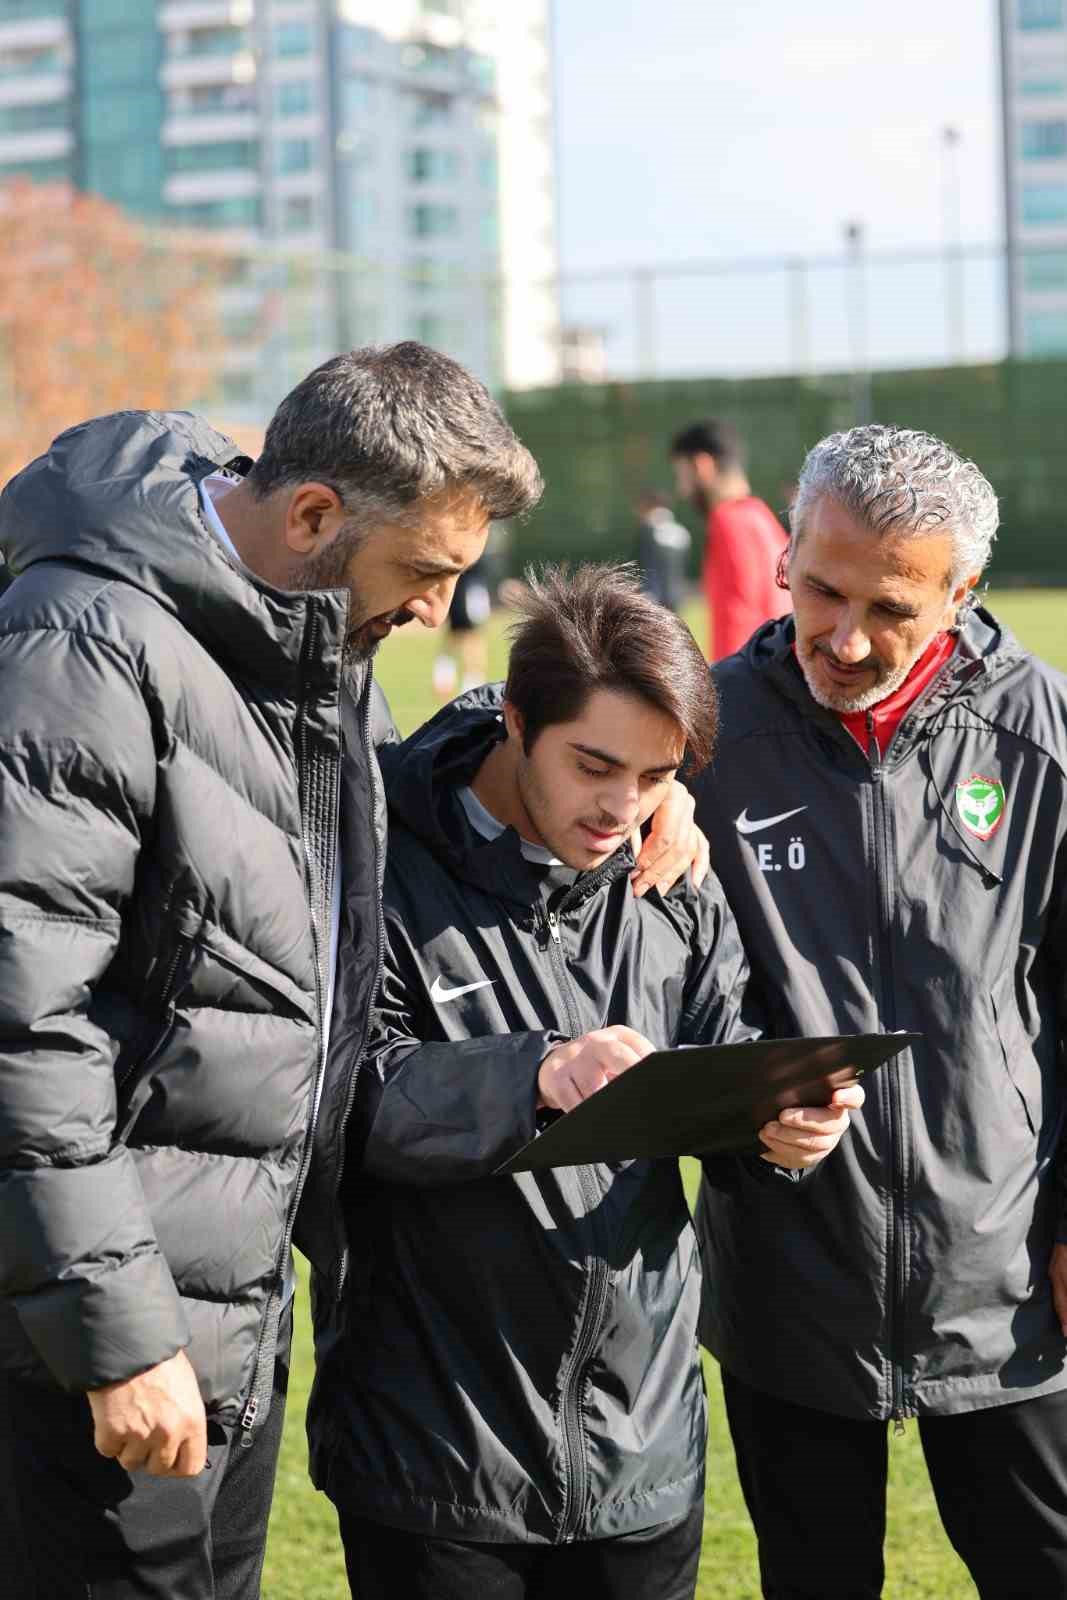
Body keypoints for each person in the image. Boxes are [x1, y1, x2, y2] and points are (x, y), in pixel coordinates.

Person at [0, 341, 543, 1598]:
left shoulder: (305, 639)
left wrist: (646, 790)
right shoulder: (81, 649)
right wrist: (118, 1335)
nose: (432, 610)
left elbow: (370, 821)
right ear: (311, 514)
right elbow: (26, 1019)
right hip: (99, 1338)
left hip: (225, 1318)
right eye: (424, 572)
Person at [307, 564, 862, 1600]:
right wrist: (538, 1071)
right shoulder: (378, 858)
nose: (620, 807)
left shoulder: (670, 874)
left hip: (641, 1455)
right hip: (433, 1460)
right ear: (514, 719)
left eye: (655, 777)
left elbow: (719, 1050)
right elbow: (345, 1102)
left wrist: (776, 1126)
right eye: (595, 765)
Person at [691, 423, 1067, 1599]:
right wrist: (742, 1092)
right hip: (789, 1279)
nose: (843, 638)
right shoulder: (702, 739)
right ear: (785, 555)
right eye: (820, 589)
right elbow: (662, 987)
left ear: (959, 594)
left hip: (1005, 1281)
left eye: (890, 609)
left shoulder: (1041, 733)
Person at [671, 418, 790, 661]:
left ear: (702, 466)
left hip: (753, 683)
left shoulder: (728, 522)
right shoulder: (761, 516)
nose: (681, 490)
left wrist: (723, 689)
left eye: (682, 475)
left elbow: (736, 617)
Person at [634, 489, 691, 612]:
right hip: (677, 595)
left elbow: (647, 565)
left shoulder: (648, 529)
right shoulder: (681, 532)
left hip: (654, 597)